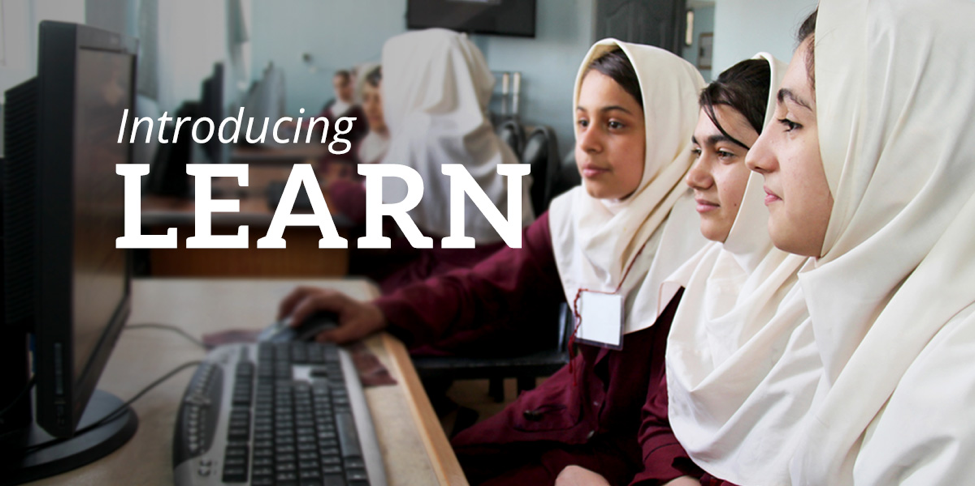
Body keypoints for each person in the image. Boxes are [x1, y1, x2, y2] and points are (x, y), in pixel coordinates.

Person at [280, 38, 708, 484]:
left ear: (668, 130)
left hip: (622, 456)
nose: (588, 142)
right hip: (560, 415)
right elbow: (485, 286)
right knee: (424, 471)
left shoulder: (698, 247)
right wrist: (378, 312)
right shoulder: (575, 215)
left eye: (614, 124)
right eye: (582, 120)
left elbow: (676, 426)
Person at [744, 2, 975, 483]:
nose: (757, 157)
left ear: (905, 147)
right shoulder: (866, 308)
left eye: (791, 122)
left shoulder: (958, 391)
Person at [650, 54, 818, 486]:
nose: (694, 177)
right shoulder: (706, 275)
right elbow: (658, 416)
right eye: (696, 151)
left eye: (723, 153)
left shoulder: (820, 307)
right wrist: (673, 477)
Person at [328, 29, 536, 295]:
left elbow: (363, 206)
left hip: (460, 290)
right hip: (494, 281)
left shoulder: (423, 131)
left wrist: (334, 185)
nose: (384, 86)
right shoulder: (488, 139)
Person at [355, 65, 389, 166]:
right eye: (366, 98)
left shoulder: (407, 150)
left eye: (379, 99)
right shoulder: (365, 147)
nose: (370, 108)